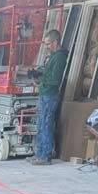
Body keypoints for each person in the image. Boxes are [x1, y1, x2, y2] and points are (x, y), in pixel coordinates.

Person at [32, 29, 68, 165]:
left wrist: (42, 81)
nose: (46, 47)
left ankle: (44, 156)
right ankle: (39, 153)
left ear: (55, 42)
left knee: (45, 125)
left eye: (48, 44)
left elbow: (55, 79)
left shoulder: (59, 57)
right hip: (45, 93)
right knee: (41, 124)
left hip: (50, 95)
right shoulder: (53, 56)